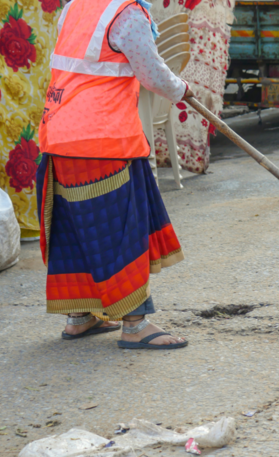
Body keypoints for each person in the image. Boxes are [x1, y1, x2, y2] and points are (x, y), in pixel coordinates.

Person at [37, 0, 193, 349]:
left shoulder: (75, 6)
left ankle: (80, 317)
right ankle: (135, 325)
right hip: (101, 139)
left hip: (58, 131)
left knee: (75, 229)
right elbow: (151, 74)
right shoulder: (128, 15)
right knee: (121, 231)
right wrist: (182, 90)